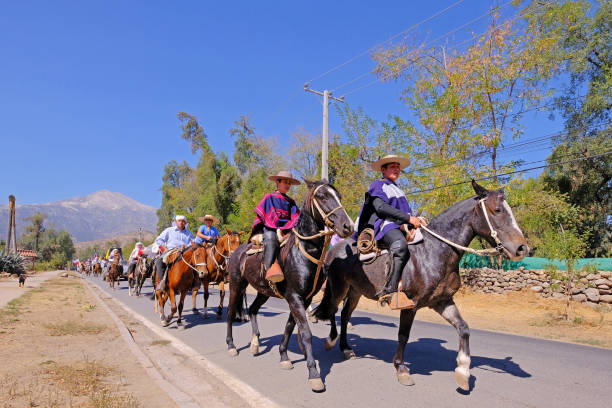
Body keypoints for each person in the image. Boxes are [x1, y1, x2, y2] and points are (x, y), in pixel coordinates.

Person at [355, 155, 422, 309]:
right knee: (400, 246)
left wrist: (415, 221)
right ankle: (390, 291)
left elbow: (407, 214)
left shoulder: (399, 190)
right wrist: (408, 218)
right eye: (392, 167)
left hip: (400, 226)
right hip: (385, 225)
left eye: (398, 167)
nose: (396, 169)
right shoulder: (378, 185)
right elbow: (381, 208)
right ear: (383, 170)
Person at [250, 170, 300, 282]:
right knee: (271, 237)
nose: (287, 185)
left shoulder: (291, 201)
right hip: (270, 229)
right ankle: (269, 269)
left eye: (289, 183)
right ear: (278, 182)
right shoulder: (269, 197)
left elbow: (296, 217)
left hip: (287, 229)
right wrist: (279, 228)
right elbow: (266, 217)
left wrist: (290, 228)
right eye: (285, 182)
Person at [154, 215, 195, 291]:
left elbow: (193, 243)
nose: (181, 222)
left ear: (185, 223)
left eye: (183, 221)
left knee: (196, 262)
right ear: (176, 222)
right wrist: (165, 248)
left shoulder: (189, 233)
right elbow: (159, 240)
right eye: (179, 221)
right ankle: (161, 282)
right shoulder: (169, 230)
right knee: (159, 261)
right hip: (170, 251)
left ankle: (193, 283)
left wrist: (187, 246)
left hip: (184, 253)